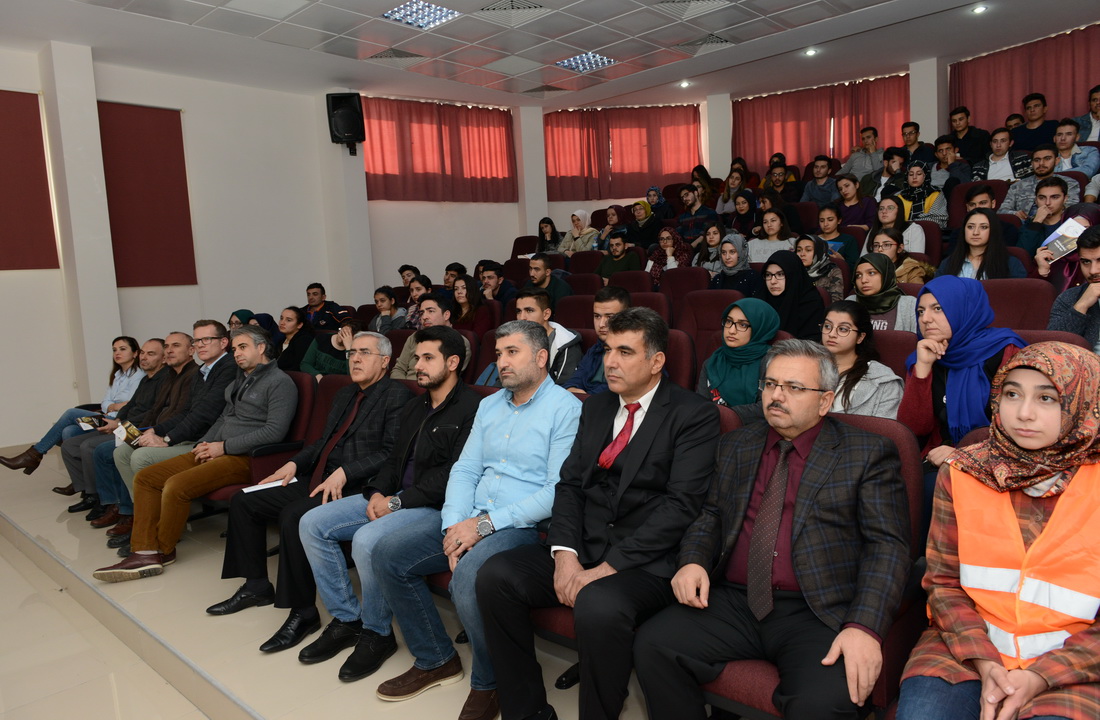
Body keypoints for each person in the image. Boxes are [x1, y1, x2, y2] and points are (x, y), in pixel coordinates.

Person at [633, 338, 910, 720]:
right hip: (734, 600)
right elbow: (711, 514)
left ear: (825, 401)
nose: (777, 396)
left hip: (816, 609)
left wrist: (864, 625)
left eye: (794, 387)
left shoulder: (867, 453)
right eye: (771, 384)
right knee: (653, 645)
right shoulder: (737, 444)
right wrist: (693, 561)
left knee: (822, 702)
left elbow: (887, 547)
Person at [478, 308, 720, 720]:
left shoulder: (693, 415)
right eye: (607, 350)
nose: (610, 361)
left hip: (646, 561)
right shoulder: (596, 407)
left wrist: (604, 570)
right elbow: (570, 485)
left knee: (598, 603)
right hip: (586, 544)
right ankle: (527, 711)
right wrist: (565, 555)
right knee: (496, 576)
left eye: (625, 352)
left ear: (657, 361)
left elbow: (681, 506)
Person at [370, 320, 581, 720]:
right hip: (468, 516)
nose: (502, 362)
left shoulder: (566, 409)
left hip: (521, 526)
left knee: (468, 575)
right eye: (499, 354)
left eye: (513, 352)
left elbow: (556, 492)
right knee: (387, 553)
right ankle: (436, 658)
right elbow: (465, 470)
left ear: (541, 357)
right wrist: (454, 524)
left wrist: (482, 526)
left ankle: (490, 682)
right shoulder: (490, 405)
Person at [897, 341, 1100, 720]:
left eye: (1047, 398)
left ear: (1081, 403)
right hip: (965, 644)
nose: (1023, 413)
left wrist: (1040, 676)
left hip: (1076, 661)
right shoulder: (963, 470)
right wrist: (986, 661)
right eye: (1012, 394)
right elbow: (943, 583)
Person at [206, 331, 413, 655]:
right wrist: (292, 463)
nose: (355, 359)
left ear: (385, 361)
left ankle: (303, 612)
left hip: (356, 486)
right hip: (318, 477)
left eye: (364, 353)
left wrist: (347, 472)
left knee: (293, 516)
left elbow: (391, 454)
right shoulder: (345, 393)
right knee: (244, 500)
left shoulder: (397, 395)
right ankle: (256, 585)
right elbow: (321, 443)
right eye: (352, 353)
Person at [291, 327, 480, 681]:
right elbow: (393, 460)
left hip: (432, 506)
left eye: (428, 358)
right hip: (394, 498)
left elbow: (453, 476)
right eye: (417, 357)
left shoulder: (472, 409)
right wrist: (378, 492)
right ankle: (347, 618)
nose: (416, 366)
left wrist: (396, 502)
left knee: (366, 539)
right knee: (311, 523)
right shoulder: (416, 405)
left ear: (453, 362)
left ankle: (377, 633)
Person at [93, 326, 297, 582]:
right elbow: (224, 418)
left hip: (247, 458)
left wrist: (223, 447)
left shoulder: (280, 382)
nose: (237, 353)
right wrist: (204, 443)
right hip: (217, 448)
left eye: (243, 347)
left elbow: (274, 432)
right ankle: (144, 550)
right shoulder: (241, 379)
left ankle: (163, 549)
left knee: (176, 485)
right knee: (146, 478)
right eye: (235, 349)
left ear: (262, 347)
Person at [896, 276, 1024, 518]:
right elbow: (914, 429)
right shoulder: (924, 356)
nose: (925, 319)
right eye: (921, 311)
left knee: (941, 488)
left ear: (963, 308)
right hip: (939, 456)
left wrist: (965, 453)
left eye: (937, 308)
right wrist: (922, 369)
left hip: (999, 456)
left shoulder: (1006, 351)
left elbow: (1019, 425)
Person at [91, 331, 199, 550]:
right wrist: (138, 430)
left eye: (175, 346)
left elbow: (186, 415)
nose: (169, 351)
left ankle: (155, 524)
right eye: (167, 346)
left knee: (139, 456)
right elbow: (155, 410)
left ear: (191, 350)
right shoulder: (170, 375)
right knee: (121, 452)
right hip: (156, 431)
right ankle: (141, 516)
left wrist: (158, 434)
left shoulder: (194, 375)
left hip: (181, 437)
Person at [57, 339, 168, 517]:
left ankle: (110, 503)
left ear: (164, 358)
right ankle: (91, 494)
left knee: (91, 445)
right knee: (69, 443)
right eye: (143, 353)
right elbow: (126, 405)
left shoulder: (163, 379)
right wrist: (117, 419)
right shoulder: (145, 379)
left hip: (138, 428)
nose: (144, 357)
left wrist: (120, 424)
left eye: (151, 354)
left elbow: (153, 412)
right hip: (119, 422)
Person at [1, 336, 142, 476]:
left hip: (117, 422)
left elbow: (132, 404)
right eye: (114, 350)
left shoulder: (138, 375)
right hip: (105, 418)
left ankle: (34, 454)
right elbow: (104, 403)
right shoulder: (117, 375)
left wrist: (113, 406)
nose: (117, 353)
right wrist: (113, 406)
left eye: (122, 349)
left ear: (135, 353)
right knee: (69, 431)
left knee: (71, 413)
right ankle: (79, 479)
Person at [821, 300, 903, 419]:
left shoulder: (883, 381)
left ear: (860, 337)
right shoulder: (805, 366)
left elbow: (884, 428)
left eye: (843, 329)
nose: (832, 334)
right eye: (827, 326)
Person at [697, 298, 780, 407]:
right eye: (728, 321)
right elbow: (699, 404)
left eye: (743, 325)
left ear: (759, 329)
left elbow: (766, 407)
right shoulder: (713, 362)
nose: (731, 331)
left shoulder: (772, 363)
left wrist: (725, 414)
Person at [563, 286, 631, 396]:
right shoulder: (595, 349)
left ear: (627, 317)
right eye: (597, 316)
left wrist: (585, 397)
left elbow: (615, 391)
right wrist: (572, 389)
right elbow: (574, 380)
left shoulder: (633, 352)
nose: (601, 324)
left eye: (609, 317)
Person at [391, 294, 471, 380]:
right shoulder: (414, 337)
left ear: (446, 315)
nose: (424, 317)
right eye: (422, 313)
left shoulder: (460, 342)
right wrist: (402, 387)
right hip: (404, 385)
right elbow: (399, 369)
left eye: (431, 311)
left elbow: (446, 378)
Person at [1047, 225, 1100, 348]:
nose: (1093, 271)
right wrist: (1081, 306)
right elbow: (1052, 347)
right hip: (1084, 360)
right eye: (1086, 262)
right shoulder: (1070, 298)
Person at [514, 289, 582, 385]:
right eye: (518, 311)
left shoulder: (565, 344)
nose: (522, 318)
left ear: (546, 314)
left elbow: (564, 387)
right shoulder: (515, 340)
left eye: (529, 310)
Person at [937, 208, 1026, 279]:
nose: (975, 232)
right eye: (970, 227)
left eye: (983, 227)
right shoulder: (948, 263)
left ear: (993, 230)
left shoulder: (1011, 264)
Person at [1000, 145, 1081, 219]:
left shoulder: (1069, 183)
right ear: (1032, 163)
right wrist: (1014, 213)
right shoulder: (1018, 186)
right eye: (1037, 160)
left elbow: (1071, 210)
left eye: (1047, 159)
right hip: (1024, 226)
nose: (1041, 163)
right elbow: (1002, 211)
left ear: (1057, 161)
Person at [760, 250, 826, 340]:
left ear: (793, 275)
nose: (773, 281)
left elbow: (811, 343)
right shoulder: (761, 299)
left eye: (780, 274)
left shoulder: (811, 303)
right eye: (768, 275)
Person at [848, 252, 918, 332]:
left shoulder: (909, 304)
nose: (863, 280)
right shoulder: (850, 303)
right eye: (858, 275)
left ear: (886, 275)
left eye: (871, 273)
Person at [944, 183, 1020, 249]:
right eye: (972, 204)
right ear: (967, 207)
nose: (977, 207)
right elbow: (952, 258)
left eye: (983, 203)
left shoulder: (1008, 230)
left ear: (993, 204)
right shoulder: (958, 233)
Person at [1017, 177, 1070, 254]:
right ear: (1036, 200)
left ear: (1065, 199)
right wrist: (1036, 222)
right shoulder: (1028, 226)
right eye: (1042, 198)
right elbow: (1022, 255)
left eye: (1054, 197)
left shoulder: (1073, 222)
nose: (1047, 203)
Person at [869, 228, 935, 286]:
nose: (880, 249)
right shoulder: (866, 267)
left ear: (899, 248)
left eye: (886, 245)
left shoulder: (912, 270)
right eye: (876, 246)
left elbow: (915, 294)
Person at [898, 161, 948, 230]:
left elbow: (937, 219)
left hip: (928, 231)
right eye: (911, 174)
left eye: (919, 174)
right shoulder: (899, 196)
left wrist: (912, 223)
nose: (914, 177)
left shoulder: (935, 193)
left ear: (925, 176)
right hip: (901, 232)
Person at [796, 235, 844, 303]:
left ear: (819, 252)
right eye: (799, 250)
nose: (802, 254)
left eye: (808, 250)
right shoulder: (793, 270)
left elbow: (836, 303)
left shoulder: (832, 271)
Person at [816, 203, 861, 269]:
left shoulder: (849, 240)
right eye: (822, 221)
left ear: (839, 220)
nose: (825, 224)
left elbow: (854, 267)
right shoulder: (814, 239)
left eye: (830, 220)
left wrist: (841, 261)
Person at [275, 306, 315, 372]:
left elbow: (299, 367)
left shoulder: (304, 340)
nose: (282, 323)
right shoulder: (280, 341)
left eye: (288, 320)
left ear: (299, 325)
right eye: (281, 318)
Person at [451, 274, 492, 338]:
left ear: (472, 290)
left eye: (464, 288)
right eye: (456, 289)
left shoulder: (481, 311)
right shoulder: (452, 310)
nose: (459, 292)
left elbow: (477, 338)